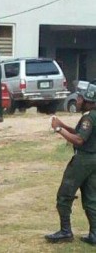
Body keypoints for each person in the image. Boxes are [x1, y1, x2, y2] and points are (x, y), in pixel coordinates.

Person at [45, 81, 96, 246]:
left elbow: (80, 139)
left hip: (83, 160)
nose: (78, 101)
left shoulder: (89, 117)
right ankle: (94, 234)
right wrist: (63, 125)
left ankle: (65, 231)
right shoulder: (92, 116)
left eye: (80, 98)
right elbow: (80, 132)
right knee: (91, 197)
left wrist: (58, 130)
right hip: (93, 160)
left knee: (64, 195)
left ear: (89, 100)